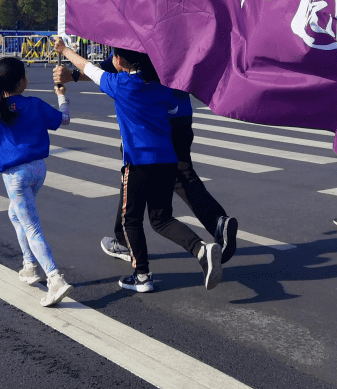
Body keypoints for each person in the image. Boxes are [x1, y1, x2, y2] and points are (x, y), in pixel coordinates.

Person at [54, 37, 223, 293]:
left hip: (138, 161)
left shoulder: (119, 84)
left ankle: (142, 275)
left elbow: (88, 67)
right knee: (161, 219)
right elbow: (172, 108)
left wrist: (64, 50)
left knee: (130, 219)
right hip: (167, 161)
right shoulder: (160, 87)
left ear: (119, 61)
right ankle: (202, 249)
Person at [0, 57, 74, 307]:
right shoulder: (34, 104)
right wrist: (62, 96)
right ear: (22, 82)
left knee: (31, 227)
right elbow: (63, 120)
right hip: (39, 170)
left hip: (15, 177)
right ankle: (29, 266)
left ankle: (54, 278)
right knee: (16, 215)